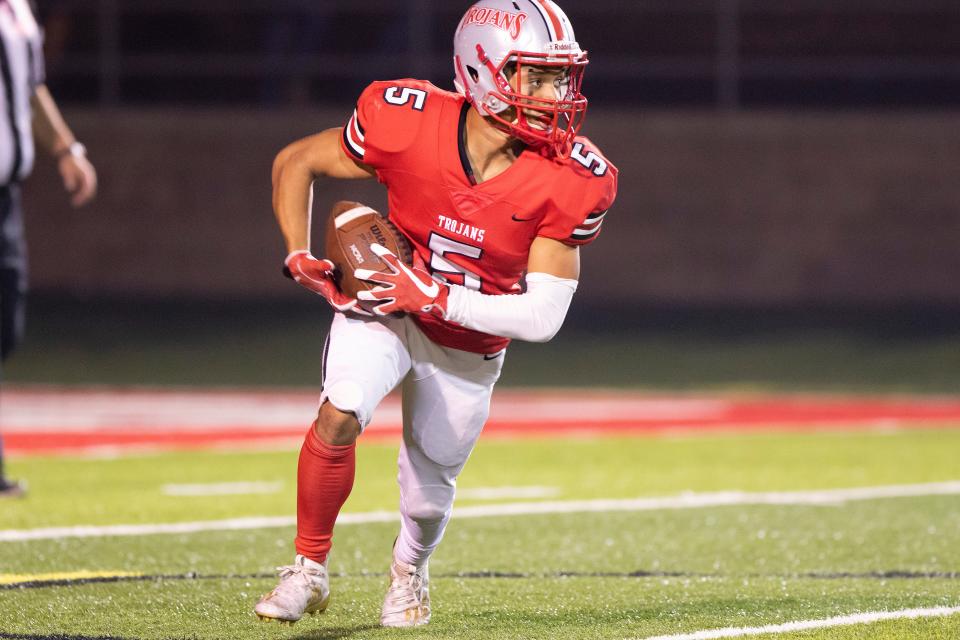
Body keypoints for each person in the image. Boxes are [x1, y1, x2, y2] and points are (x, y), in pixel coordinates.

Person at [255, 0, 616, 627]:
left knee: (427, 495)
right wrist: (297, 253)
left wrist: (439, 297)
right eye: (540, 76)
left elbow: (545, 315)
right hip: (390, 301)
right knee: (342, 406)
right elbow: (297, 161)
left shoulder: (570, 177)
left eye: (562, 77)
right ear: (483, 73)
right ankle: (308, 569)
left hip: (470, 338)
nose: (558, 94)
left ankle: (408, 572)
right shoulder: (408, 120)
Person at [0, 0, 98, 498]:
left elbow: (31, 85)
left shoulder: (19, 8)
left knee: (6, 327)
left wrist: (65, 149)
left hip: (6, 192)